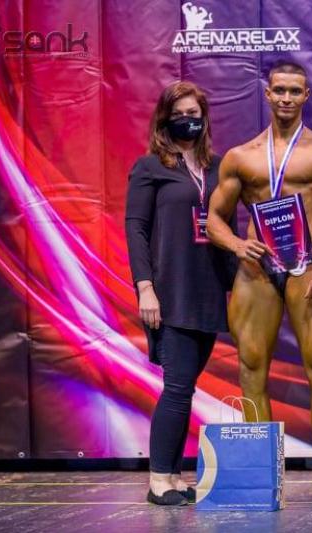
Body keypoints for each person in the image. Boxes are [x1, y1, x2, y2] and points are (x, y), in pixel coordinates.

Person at [205, 60, 312, 508]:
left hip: (307, 264)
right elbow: (213, 218)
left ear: (307, 96)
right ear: (267, 92)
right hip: (257, 268)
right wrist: (237, 244)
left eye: (295, 91)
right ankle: (263, 481)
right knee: (251, 369)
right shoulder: (242, 156)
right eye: (280, 90)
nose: (287, 98)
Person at [125, 81, 236, 506]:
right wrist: (145, 287)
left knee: (185, 387)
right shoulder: (150, 167)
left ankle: (172, 476)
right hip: (170, 292)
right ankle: (158, 480)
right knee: (176, 387)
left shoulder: (219, 167)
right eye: (179, 114)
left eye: (194, 113)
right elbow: (136, 229)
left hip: (209, 290)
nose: (188, 120)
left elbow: (229, 227)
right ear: (165, 119)